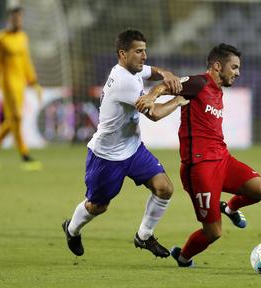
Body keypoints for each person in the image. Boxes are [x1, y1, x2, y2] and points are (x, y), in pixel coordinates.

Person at [136, 43, 261, 267]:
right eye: (234, 67)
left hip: (223, 160)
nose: (238, 73)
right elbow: (168, 85)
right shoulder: (199, 83)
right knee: (214, 232)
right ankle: (183, 256)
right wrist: (152, 96)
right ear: (218, 66)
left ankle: (229, 207)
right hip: (200, 169)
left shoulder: (218, 91)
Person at [62, 29, 188, 258]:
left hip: (133, 148)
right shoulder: (124, 82)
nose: (144, 56)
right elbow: (155, 114)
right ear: (123, 54)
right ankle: (71, 229)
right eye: (139, 51)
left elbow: (152, 72)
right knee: (98, 206)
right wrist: (178, 101)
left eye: (145, 51)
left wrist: (165, 73)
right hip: (107, 157)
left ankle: (144, 236)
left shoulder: (133, 70)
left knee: (164, 188)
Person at [0, 6, 42, 171]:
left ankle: (24, 156)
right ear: (10, 19)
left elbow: (26, 62)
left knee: (13, 121)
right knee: (15, 117)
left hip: (20, 86)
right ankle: (25, 155)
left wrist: (34, 82)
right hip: (7, 85)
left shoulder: (23, 37)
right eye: (15, 18)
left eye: (20, 18)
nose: (18, 21)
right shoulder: (1, 39)